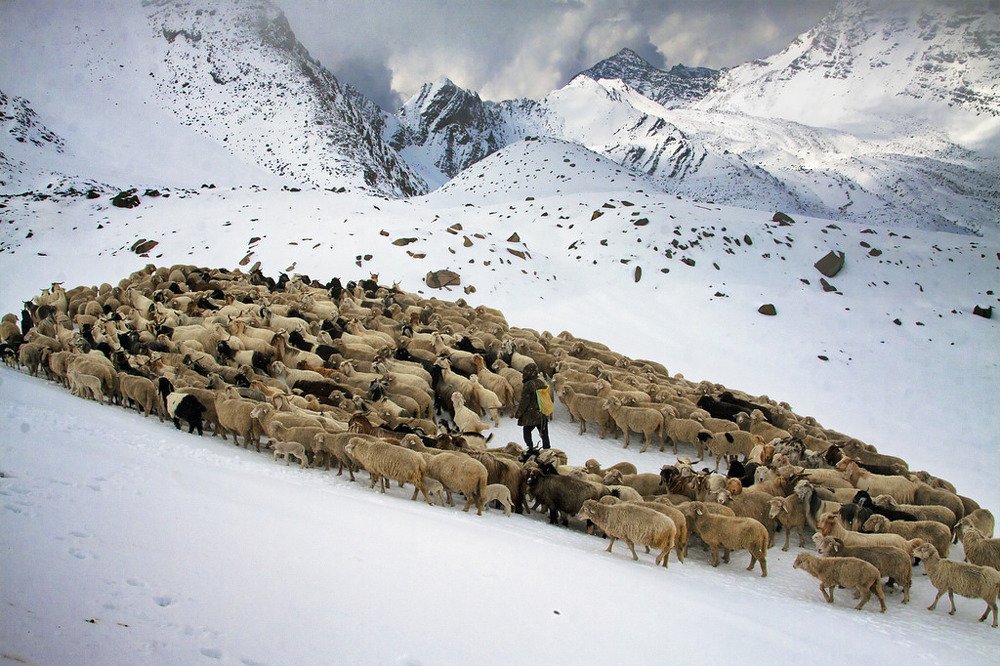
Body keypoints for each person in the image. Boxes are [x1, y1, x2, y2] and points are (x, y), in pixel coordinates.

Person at [514, 363, 550, 453]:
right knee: (544, 433)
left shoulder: (528, 385)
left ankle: (530, 448)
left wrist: (519, 413)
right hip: (542, 413)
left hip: (531, 414)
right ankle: (547, 450)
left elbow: (524, 402)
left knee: (527, 431)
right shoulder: (541, 382)